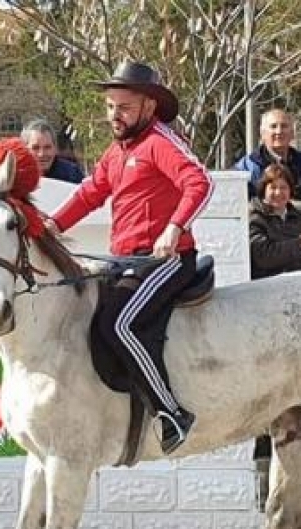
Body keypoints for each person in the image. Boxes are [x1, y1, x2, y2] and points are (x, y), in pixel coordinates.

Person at [49, 60, 212, 454]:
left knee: (120, 324)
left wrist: (174, 228)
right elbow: (90, 194)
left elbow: (199, 182)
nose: (113, 116)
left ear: (148, 107)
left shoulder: (160, 142)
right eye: (109, 107)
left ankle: (171, 412)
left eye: (123, 108)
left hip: (166, 262)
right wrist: (51, 226)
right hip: (126, 261)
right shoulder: (117, 153)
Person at [249, 164, 301, 280]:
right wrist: (300, 243)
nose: (278, 193)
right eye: (273, 187)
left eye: (283, 187)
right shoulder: (255, 217)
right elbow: (264, 256)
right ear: (263, 190)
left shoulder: (299, 216)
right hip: (267, 287)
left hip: (299, 286)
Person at [234, 108, 301, 201]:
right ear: (262, 133)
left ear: (292, 133)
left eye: (284, 126)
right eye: (273, 126)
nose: (279, 131)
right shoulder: (246, 168)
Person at [20, 119, 85, 184]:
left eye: (47, 147)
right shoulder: (17, 175)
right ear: (25, 149)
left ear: (55, 149)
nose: (42, 154)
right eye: (35, 148)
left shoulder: (73, 175)